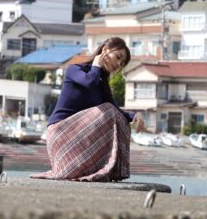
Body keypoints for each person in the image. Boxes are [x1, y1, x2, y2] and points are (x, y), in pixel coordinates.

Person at [31, 37, 145, 182]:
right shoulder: (75, 70)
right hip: (60, 132)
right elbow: (89, 83)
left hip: (79, 136)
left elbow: (116, 111)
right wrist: (96, 66)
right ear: (105, 50)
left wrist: (135, 115)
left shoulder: (101, 83)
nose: (118, 64)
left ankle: (112, 171)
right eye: (118, 57)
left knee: (121, 121)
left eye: (122, 63)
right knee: (109, 110)